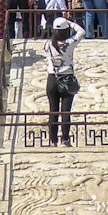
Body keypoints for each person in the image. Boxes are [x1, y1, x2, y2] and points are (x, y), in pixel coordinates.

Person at [44, 17, 85, 145]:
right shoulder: (69, 43)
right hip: (66, 78)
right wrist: (71, 23)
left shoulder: (48, 44)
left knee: (53, 111)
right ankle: (65, 139)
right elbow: (81, 32)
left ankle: (52, 140)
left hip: (51, 79)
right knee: (65, 111)